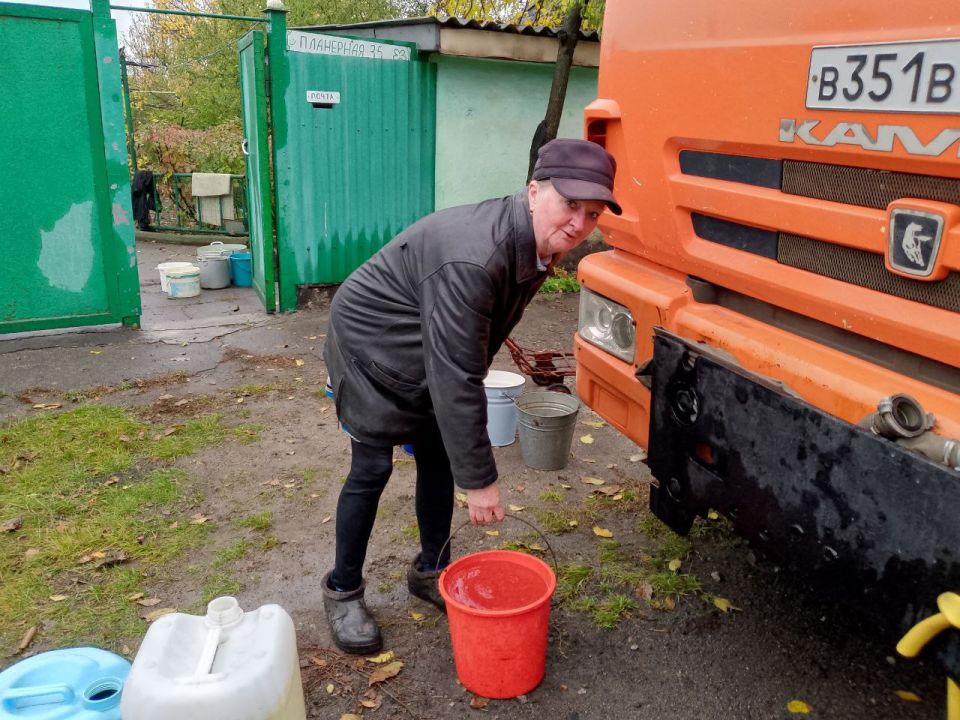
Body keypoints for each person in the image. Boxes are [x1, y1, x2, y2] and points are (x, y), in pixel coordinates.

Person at [321, 138, 622, 654]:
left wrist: (463, 455)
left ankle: (430, 571)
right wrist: (481, 480)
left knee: (438, 456)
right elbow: (457, 371)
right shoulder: (475, 256)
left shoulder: (534, 242)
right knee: (372, 467)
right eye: (570, 204)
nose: (579, 223)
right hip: (369, 341)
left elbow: (463, 353)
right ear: (534, 192)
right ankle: (343, 590)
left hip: (424, 336)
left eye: (592, 213)